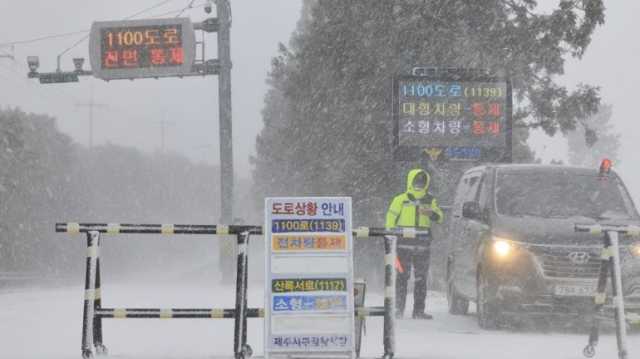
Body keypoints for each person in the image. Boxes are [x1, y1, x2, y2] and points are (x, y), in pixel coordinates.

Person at [385, 168, 444, 319]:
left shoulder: (430, 200)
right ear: (410, 181)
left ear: (426, 183)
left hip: (423, 245)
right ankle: (399, 309)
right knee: (402, 277)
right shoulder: (401, 199)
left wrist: (431, 213)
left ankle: (418, 311)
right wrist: (390, 235)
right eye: (417, 181)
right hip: (403, 245)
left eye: (422, 181)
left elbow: (440, 218)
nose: (419, 184)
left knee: (421, 279)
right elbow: (390, 218)